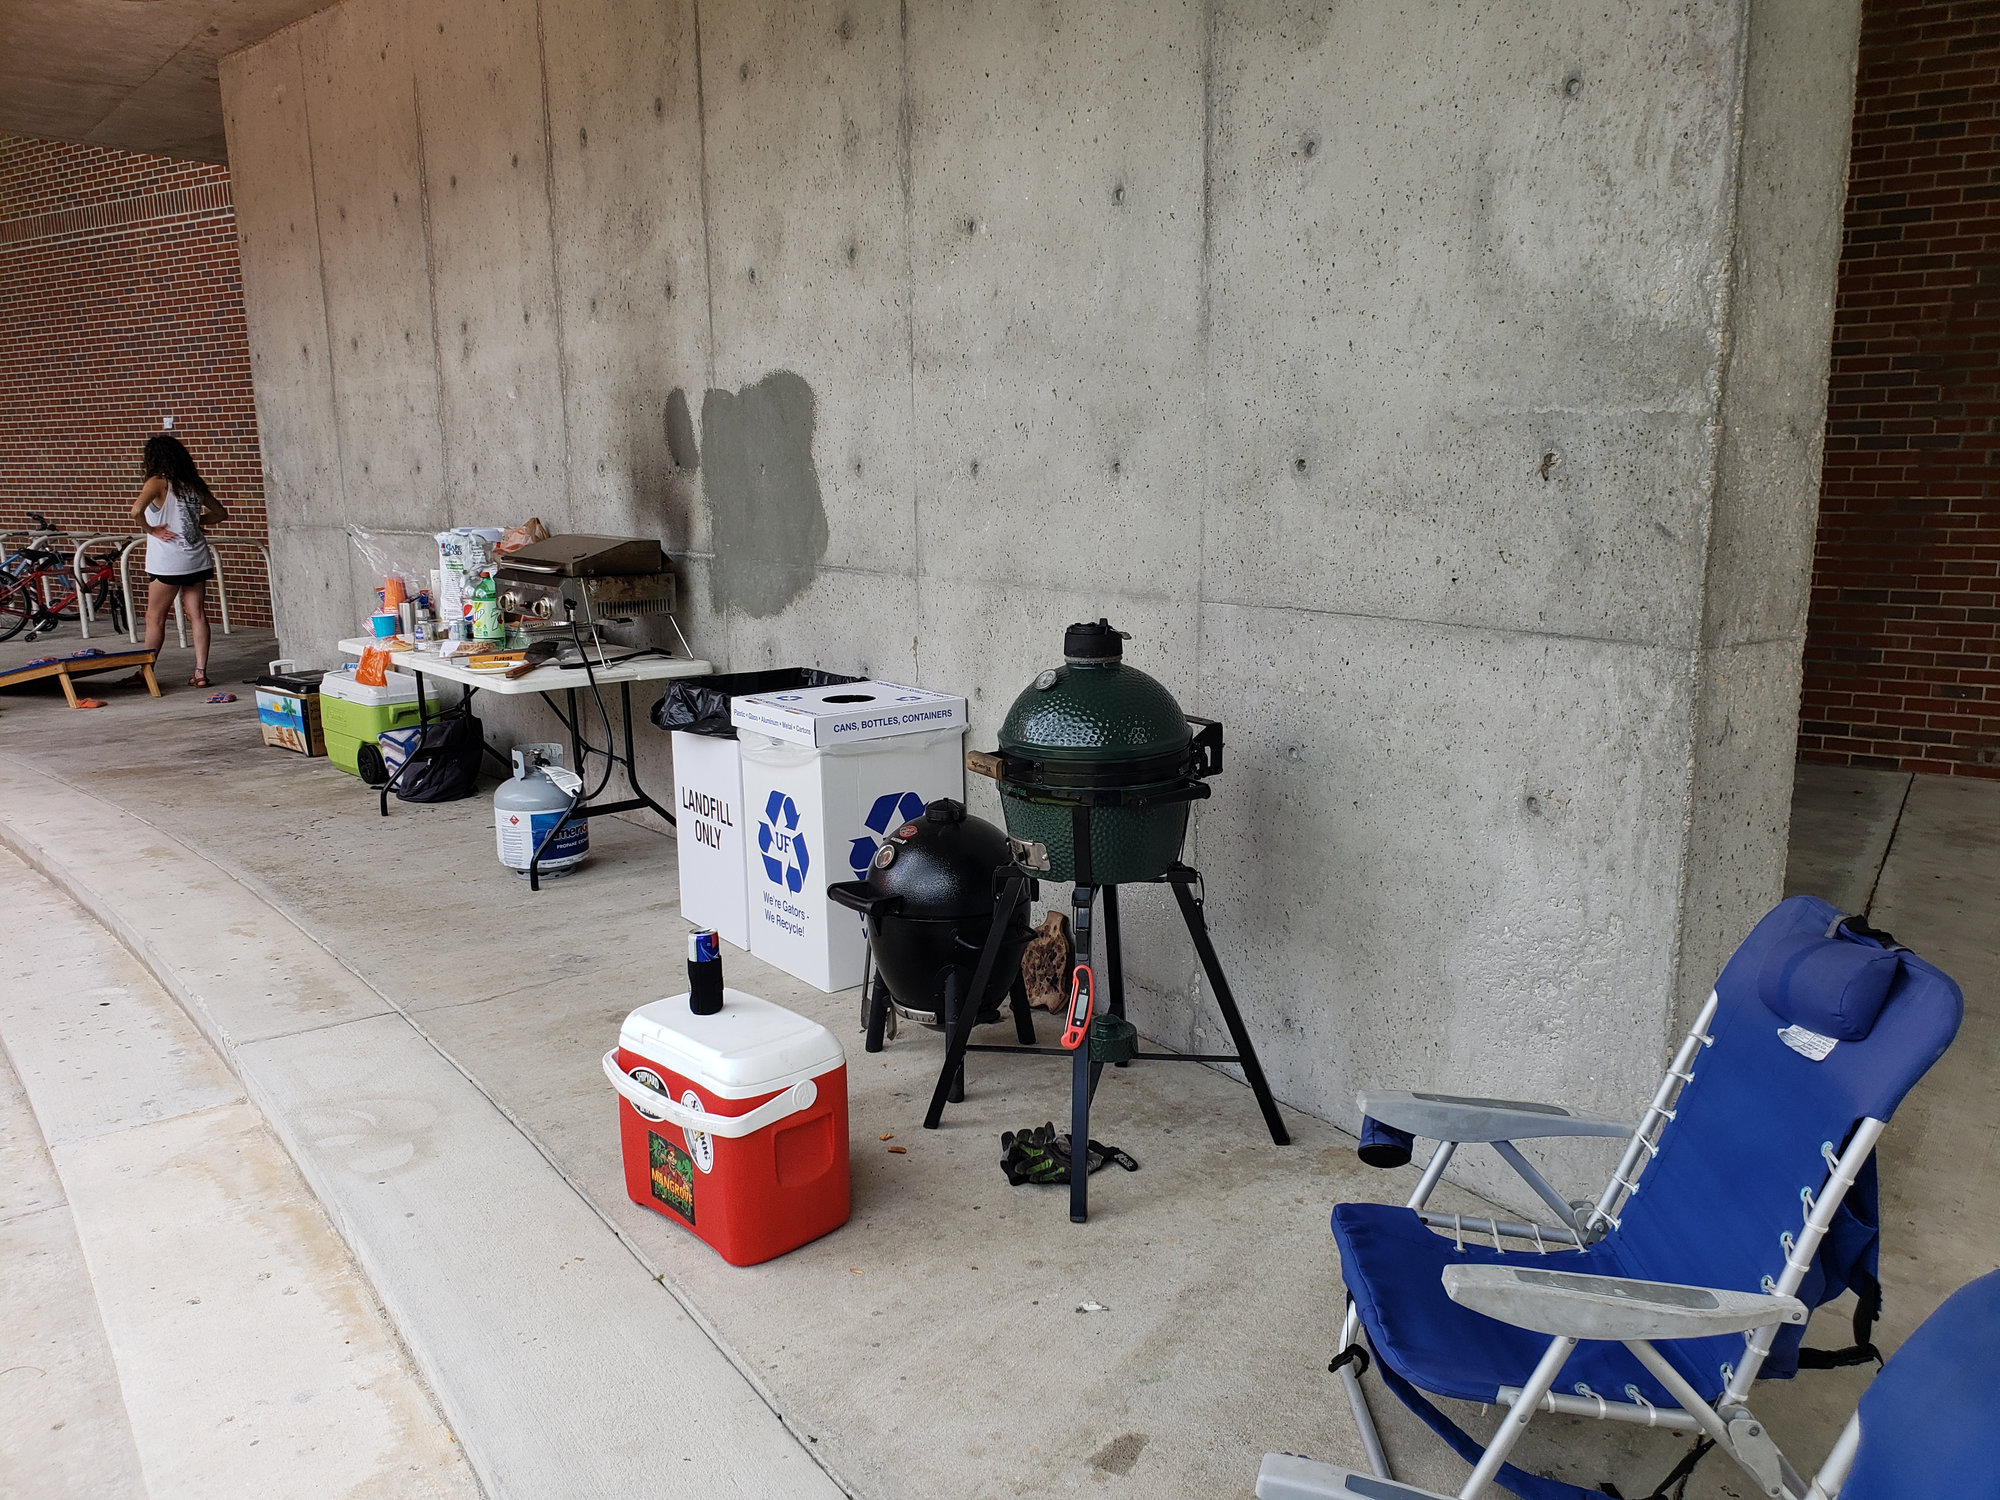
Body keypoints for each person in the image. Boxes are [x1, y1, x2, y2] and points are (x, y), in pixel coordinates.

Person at [127, 433, 228, 688]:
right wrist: (195, 522)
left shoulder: (158, 482)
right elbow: (220, 513)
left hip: (169, 561)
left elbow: (136, 511)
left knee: (155, 617)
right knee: (198, 615)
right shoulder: (193, 483)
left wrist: (151, 530)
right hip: (197, 559)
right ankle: (200, 672)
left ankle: (146, 672)